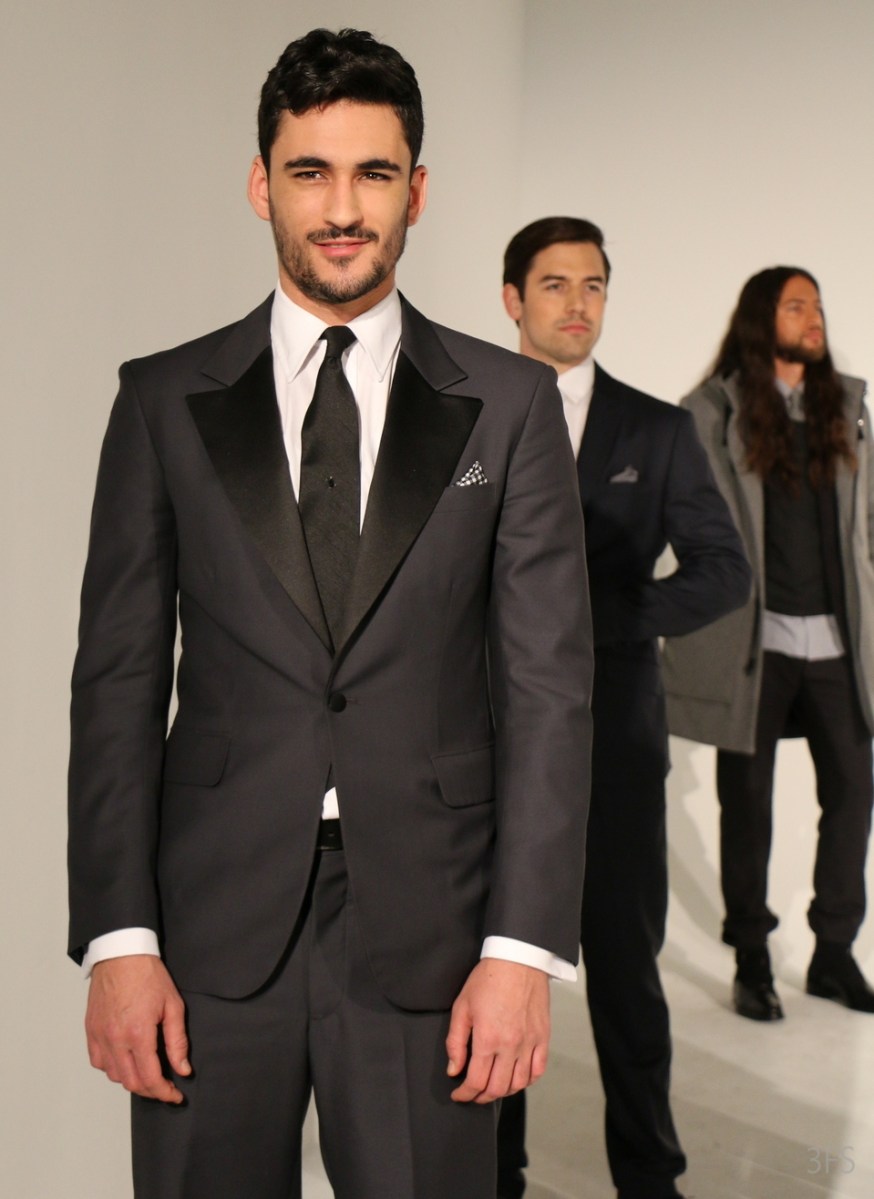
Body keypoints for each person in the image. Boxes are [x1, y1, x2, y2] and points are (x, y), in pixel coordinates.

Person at [67, 31, 595, 1199]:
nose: (343, 209)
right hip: (206, 926)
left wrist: (521, 949)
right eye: (310, 171)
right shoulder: (162, 399)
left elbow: (550, 692)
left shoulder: (508, 408)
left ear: (418, 189)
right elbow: (115, 685)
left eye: (373, 173)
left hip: (434, 923)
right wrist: (119, 938)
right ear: (263, 185)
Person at [496, 217, 751, 1199]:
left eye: (593, 285)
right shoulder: (465, 418)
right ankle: (491, 1172)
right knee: (486, 970)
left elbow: (722, 567)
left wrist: (608, 617)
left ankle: (650, 1178)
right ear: (512, 299)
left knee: (626, 974)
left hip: (614, 740)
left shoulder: (656, 428)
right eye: (554, 284)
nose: (577, 304)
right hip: (483, 741)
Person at [662, 266, 874, 1022]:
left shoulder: (846, 408)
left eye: (817, 305)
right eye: (795, 306)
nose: (813, 317)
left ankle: (833, 952)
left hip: (838, 645)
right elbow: (679, 521)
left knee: (853, 794)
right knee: (746, 806)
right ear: (762, 319)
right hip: (752, 643)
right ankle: (752, 956)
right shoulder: (709, 413)